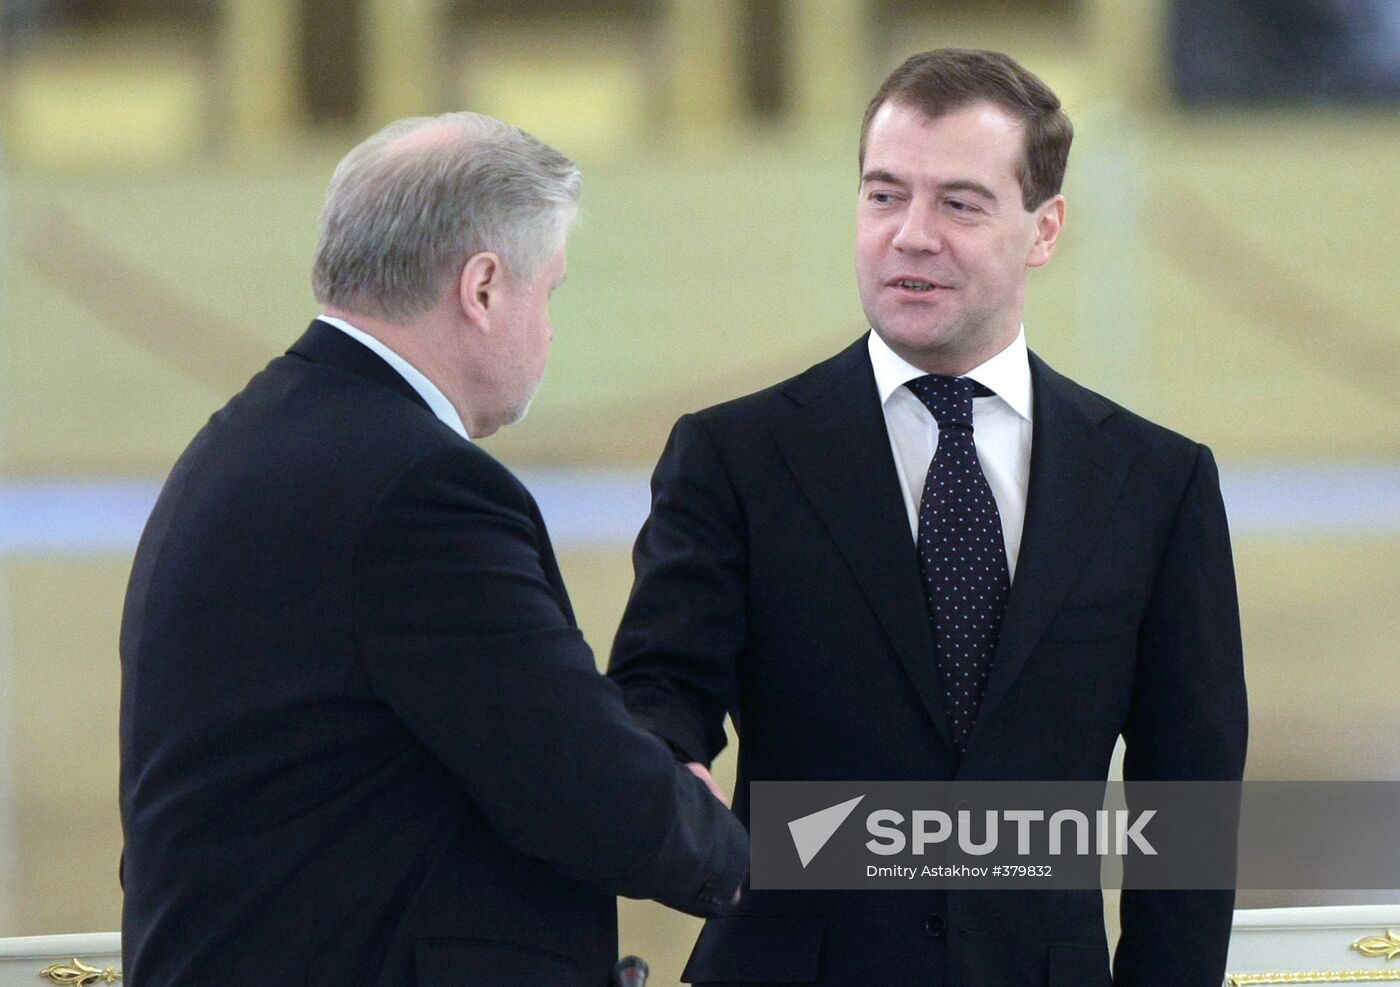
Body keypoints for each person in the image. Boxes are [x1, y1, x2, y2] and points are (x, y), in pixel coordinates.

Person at [608, 49, 1246, 986]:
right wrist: (665, 766)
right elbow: (661, 686)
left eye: (959, 202)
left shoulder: (1157, 481)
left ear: (1044, 228)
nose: (911, 235)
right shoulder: (733, 457)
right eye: (882, 195)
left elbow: (1188, 805)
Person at [118, 112, 747, 986]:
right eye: (551, 292)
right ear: (483, 288)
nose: (552, 330)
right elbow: (589, 792)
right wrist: (755, 845)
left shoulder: (253, 436)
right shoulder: (418, 491)